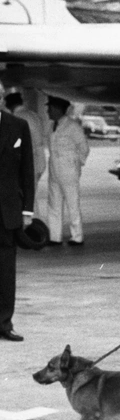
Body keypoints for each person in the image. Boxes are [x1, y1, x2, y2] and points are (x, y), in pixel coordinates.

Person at [0, 81, 35, 342]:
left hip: (7, 211)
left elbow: (27, 171)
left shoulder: (18, 126)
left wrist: (27, 210)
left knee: (5, 272)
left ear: (1, 97)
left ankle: (4, 323)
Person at [46, 96, 90, 246]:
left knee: (72, 204)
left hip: (68, 171)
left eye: (50, 108)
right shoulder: (52, 125)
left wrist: (76, 164)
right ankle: (54, 237)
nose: (48, 111)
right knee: (54, 204)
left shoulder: (72, 126)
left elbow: (84, 148)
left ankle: (77, 236)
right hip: (54, 170)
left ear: (57, 109)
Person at [5, 90, 46, 214]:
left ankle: (31, 225)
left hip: (26, 163)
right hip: (39, 160)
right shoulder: (33, 115)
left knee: (25, 200)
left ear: (9, 105)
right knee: (31, 197)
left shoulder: (17, 118)